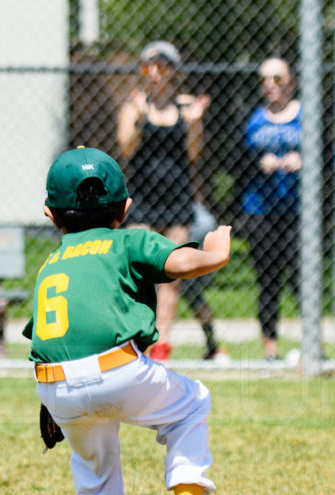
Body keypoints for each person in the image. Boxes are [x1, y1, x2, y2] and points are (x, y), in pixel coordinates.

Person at [24, 147, 230, 495]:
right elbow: (181, 262)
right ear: (125, 207)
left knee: (94, 461)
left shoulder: (50, 264)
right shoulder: (129, 239)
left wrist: (54, 405)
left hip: (53, 384)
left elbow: (47, 333)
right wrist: (215, 251)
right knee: (191, 404)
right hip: (117, 370)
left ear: (49, 213)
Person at [117, 40, 210, 361]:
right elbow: (126, 148)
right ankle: (141, 336)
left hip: (177, 200)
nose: (154, 73)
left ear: (173, 71)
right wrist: (141, 118)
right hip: (144, 198)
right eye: (148, 67)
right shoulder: (134, 105)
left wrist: (196, 122)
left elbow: (195, 154)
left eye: (161, 67)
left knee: (171, 275)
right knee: (143, 272)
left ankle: (163, 342)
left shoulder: (186, 107)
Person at [241, 57, 302, 361]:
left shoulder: (306, 115)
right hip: (259, 212)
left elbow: (330, 157)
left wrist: (303, 162)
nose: (270, 85)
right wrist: (258, 163)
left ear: (290, 81)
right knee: (268, 279)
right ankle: (270, 350)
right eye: (265, 79)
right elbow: (235, 162)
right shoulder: (253, 118)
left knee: (301, 278)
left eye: (277, 78)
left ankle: (312, 347)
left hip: (297, 212)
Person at [179, 202, 229, 361]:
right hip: (197, 217)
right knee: (193, 296)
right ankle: (212, 344)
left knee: (191, 294)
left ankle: (212, 344)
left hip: (192, 221)